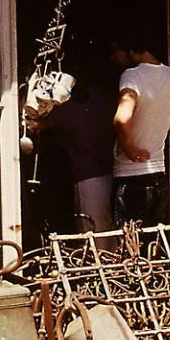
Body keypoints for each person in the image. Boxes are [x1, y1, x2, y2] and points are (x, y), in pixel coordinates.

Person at [111, 29, 170, 228]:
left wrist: (128, 148)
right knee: (153, 245)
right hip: (158, 171)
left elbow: (122, 118)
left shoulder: (132, 75)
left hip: (130, 174)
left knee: (129, 247)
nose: (114, 57)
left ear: (131, 50)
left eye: (116, 51)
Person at [45, 50, 116, 234]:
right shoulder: (103, 99)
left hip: (89, 178)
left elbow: (39, 123)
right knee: (110, 231)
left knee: (93, 232)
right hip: (113, 172)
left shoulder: (66, 111)